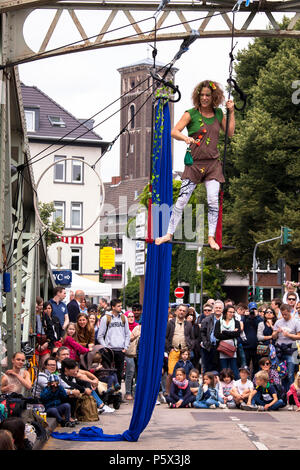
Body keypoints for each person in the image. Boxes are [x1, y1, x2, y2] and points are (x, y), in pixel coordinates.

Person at [155, 80, 235, 251]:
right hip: (194, 164)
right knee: (182, 199)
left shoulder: (219, 114)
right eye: (202, 95)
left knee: (213, 200)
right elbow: (174, 131)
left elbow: (230, 133)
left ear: (214, 96)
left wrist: (231, 112)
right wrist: (185, 138)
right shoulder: (190, 114)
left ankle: (212, 237)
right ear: (198, 96)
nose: (205, 98)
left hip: (213, 164)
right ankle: (168, 234)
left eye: (208, 95)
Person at [97, 298, 131, 385]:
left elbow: (127, 334)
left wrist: (125, 347)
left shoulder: (124, 318)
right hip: (109, 350)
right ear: (113, 307)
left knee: (119, 373)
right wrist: (105, 347)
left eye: (121, 306)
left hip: (120, 350)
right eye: (118, 306)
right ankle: (109, 392)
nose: (120, 308)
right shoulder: (105, 318)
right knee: (108, 372)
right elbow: (100, 336)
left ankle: (118, 392)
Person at [165, 304, 194, 395]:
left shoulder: (188, 324)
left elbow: (192, 337)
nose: (181, 312)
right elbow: (165, 337)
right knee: (171, 373)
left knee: (185, 373)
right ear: (176, 311)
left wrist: (189, 348)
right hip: (174, 350)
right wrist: (169, 348)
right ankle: (168, 392)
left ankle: (184, 392)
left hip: (184, 351)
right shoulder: (171, 322)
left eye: (183, 311)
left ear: (186, 313)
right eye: (180, 310)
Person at [272, 303, 300, 390]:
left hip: (291, 350)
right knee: (279, 372)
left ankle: (290, 395)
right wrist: (277, 332)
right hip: (279, 349)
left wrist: (289, 335)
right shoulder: (278, 322)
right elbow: (273, 336)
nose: (284, 316)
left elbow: (299, 336)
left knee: (291, 374)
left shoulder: (296, 322)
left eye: (286, 314)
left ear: (290, 311)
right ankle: (282, 393)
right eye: (282, 314)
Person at [214, 304, 241, 379]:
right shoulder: (219, 322)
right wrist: (232, 333)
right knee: (223, 370)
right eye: (230, 312)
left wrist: (225, 332)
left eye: (233, 312)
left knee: (234, 370)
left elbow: (237, 334)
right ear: (226, 312)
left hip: (233, 350)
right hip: (222, 350)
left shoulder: (236, 322)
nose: (232, 314)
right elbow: (217, 335)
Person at [199, 299, 224, 374]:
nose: (218, 309)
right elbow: (202, 332)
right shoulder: (207, 319)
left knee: (220, 369)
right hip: (208, 347)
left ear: (222, 309)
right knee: (207, 369)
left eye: (220, 308)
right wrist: (205, 342)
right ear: (213, 309)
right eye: (216, 308)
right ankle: (207, 385)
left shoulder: (226, 320)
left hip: (221, 347)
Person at [241, 302, 263, 378]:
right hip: (246, 346)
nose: (252, 311)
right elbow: (241, 326)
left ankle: (255, 381)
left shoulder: (259, 319)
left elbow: (261, 324)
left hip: (257, 346)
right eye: (251, 309)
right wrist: (245, 315)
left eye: (254, 309)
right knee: (245, 365)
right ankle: (245, 381)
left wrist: (257, 316)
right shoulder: (245, 318)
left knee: (256, 366)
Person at [124, 319, 141, 400]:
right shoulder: (136, 328)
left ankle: (136, 391)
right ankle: (128, 392)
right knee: (130, 372)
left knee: (139, 373)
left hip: (140, 353)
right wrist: (135, 335)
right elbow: (130, 339)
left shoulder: (148, 329)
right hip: (130, 353)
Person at [35, 296, 51, 368]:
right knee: (35, 365)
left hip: (44, 342)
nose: (41, 307)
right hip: (35, 343)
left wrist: (47, 342)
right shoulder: (30, 316)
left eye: (42, 305)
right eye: (40, 305)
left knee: (46, 364)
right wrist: (37, 345)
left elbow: (50, 330)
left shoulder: (44, 315)